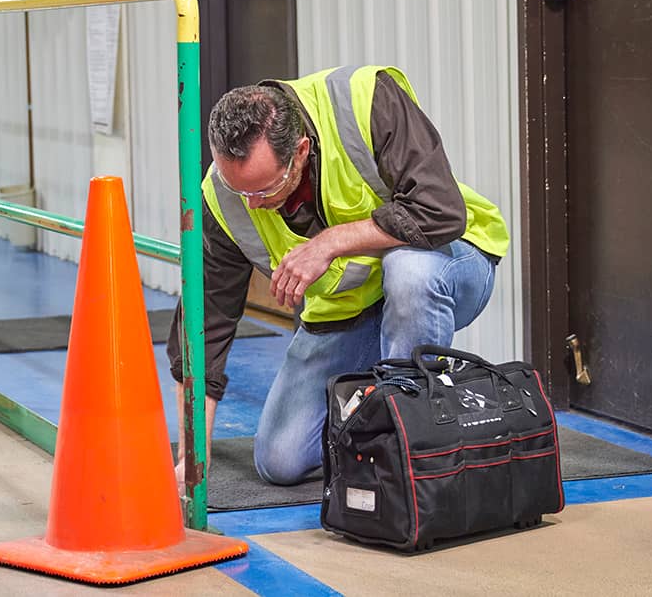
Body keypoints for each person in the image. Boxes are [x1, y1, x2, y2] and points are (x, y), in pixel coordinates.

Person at [168, 65, 509, 486]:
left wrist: (329, 244)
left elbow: (441, 212)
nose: (252, 205)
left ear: (300, 151)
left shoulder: (365, 101)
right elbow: (203, 329)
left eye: (265, 190)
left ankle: (418, 443)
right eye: (241, 190)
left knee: (409, 271)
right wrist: (190, 458)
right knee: (279, 460)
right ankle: (387, 409)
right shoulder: (223, 197)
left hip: (451, 263)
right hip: (354, 309)